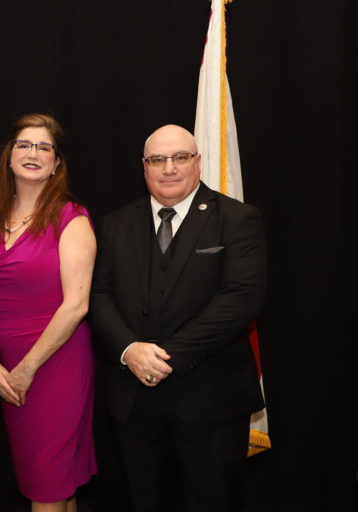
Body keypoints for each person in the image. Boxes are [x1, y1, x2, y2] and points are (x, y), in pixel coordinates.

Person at [89, 124, 266, 512]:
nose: (169, 168)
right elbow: (99, 296)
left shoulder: (237, 218)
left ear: (198, 162)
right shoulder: (116, 224)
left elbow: (241, 299)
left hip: (211, 400)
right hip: (134, 401)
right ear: (144, 167)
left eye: (180, 157)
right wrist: (130, 350)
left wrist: (166, 357)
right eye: (157, 160)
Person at [0, 114, 97, 512]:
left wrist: (26, 368)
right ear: (9, 156)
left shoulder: (71, 217)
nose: (33, 153)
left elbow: (76, 305)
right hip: (5, 370)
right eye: (24, 145)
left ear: (56, 163)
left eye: (44, 147)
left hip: (55, 364)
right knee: (53, 483)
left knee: (47, 484)